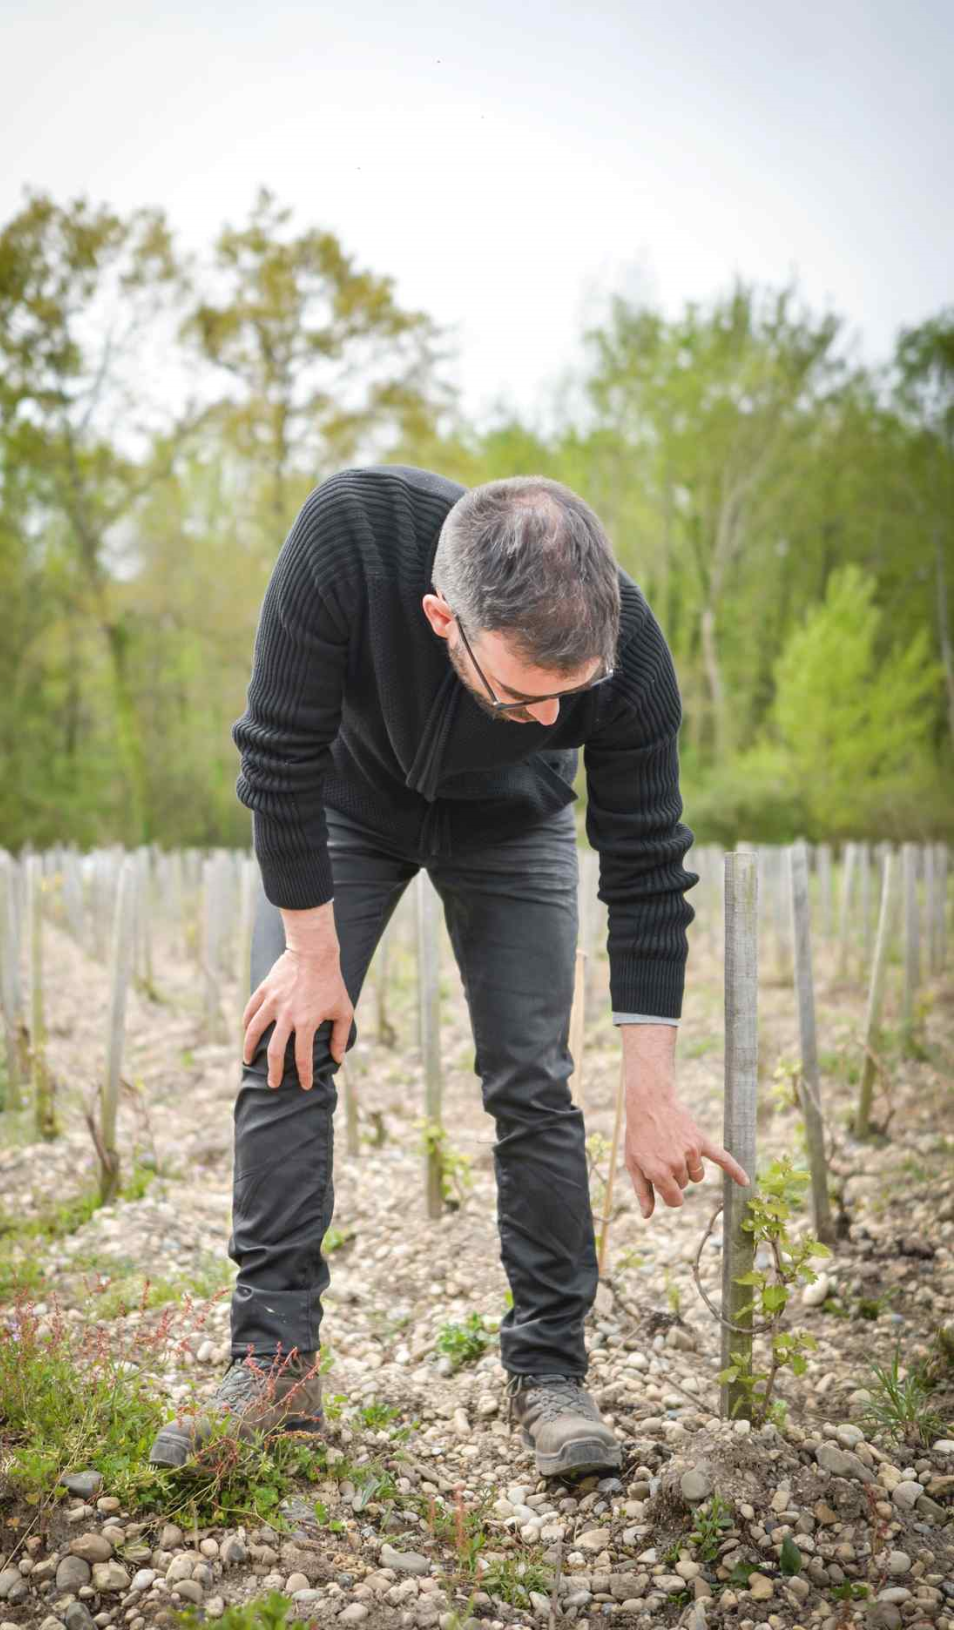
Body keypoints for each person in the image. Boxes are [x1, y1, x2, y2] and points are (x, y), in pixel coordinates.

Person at [150, 466, 747, 1478]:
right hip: (349, 799)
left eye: (573, 698)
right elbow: (278, 756)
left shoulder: (628, 652)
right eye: (521, 695)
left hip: (514, 827)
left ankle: (552, 1368)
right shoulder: (348, 536)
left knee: (532, 1078)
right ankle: (274, 1365)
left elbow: (647, 863)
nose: (552, 723)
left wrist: (652, 1091)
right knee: (289, 1041)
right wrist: (312, 957)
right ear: (443, 618)